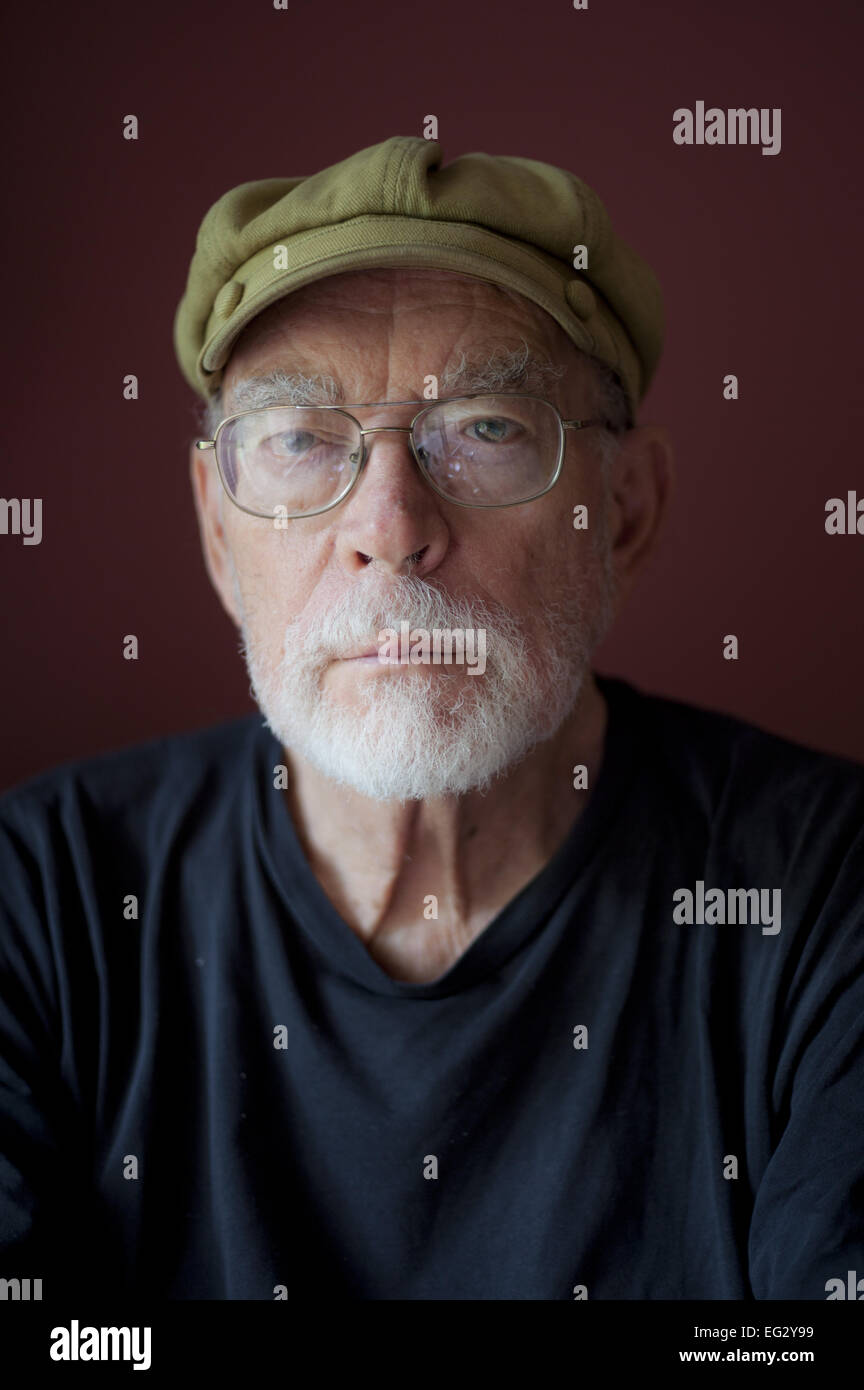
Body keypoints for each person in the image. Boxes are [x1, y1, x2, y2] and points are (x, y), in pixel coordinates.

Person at [1, 135, 861, 1301]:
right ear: (217, 527)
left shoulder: (827, 894)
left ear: (625, 512)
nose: (391, 525)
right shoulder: (40, 902)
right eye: (303, 440)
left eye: (488, 427)